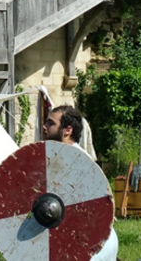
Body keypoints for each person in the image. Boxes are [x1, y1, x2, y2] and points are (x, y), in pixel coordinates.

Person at [42, 105, 119, 261]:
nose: (44, 127)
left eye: (51, 123)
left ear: (67, 130)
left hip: (92, 245)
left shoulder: (75, 161)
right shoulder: (64, 157)